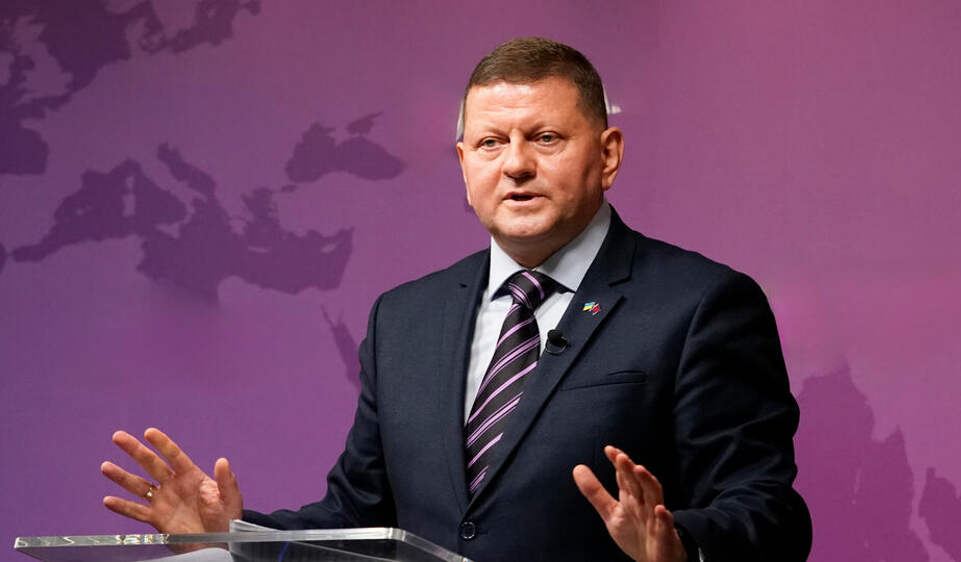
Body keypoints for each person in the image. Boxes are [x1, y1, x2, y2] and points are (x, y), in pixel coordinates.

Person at [101, 37, 811, 561]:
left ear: (608, 154)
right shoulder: (406, 318)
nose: (517, 164)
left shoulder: (701, 305)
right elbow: (361, 517)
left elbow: (769, 512)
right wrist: (234, 535)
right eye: (491, 143)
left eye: (546, 138)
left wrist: (680, 544)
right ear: (465, 164)